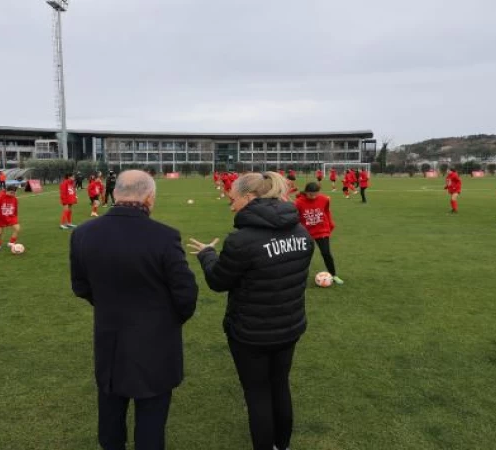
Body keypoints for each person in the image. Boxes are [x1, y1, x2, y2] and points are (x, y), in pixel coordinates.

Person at [70, 170, 198, 450]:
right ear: (150, 198)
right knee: (150, 417)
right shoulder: (164, 236)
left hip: (110, 337)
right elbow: (186, 295)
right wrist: (164, 320)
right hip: (155, 342)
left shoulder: (83, 233)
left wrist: (109, 306)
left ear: (115, 194)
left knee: (110, 409)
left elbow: (81, 287)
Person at [188, 172, 314, 450]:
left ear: (249, 197)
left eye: (233, 199)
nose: (230, 205)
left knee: (257, 392)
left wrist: (208, 255)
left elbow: (218, 281)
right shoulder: (301, 232)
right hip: (289, 326)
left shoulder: (242, 240)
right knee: (279, 385)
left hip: (251, 333)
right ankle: (282, 445)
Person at [295, 182, 344, 285]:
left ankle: (333, 275)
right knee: (305, 255)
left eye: (315, 194)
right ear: (306, 192)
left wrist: (330, 224)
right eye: (310, 194)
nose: (313, 197)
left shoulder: (324, 199)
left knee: (326, 253)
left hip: (322, 231)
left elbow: (327, 212)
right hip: (306, 233)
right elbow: (296, 218)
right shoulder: (298, 203)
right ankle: (300, 277)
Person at [0, 184, 20, 252]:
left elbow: (15, 208)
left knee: (17, 228)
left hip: (11, 216)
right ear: (7, 191)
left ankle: (11, 242)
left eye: (14, 193)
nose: (13, 194)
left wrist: (15, 216)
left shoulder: (15, 199)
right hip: (0, 217)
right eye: (11, 192)